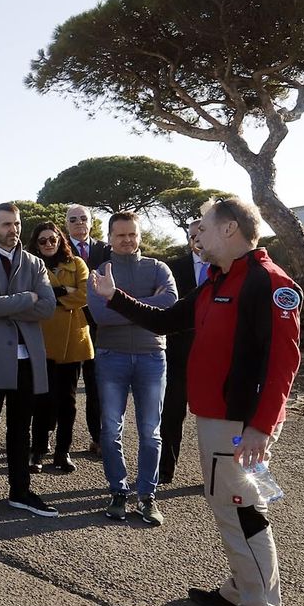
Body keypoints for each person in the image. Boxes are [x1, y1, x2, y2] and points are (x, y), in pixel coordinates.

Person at [90, 195, 302, 606]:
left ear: (229, 229)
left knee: (243, 512)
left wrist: (261, 427)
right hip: (214, 418)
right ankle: (238, 590)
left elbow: (284, 362)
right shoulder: (218, 281)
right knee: (226, 504)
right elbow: (167, 319)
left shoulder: (267, 283)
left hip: (238, 423)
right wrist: (114, 297)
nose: (196, 236)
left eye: (203, 227)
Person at [0, 202, 58, 518]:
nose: (13, 230)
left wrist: (4, 302)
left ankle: (20, 492)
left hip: (27, 358)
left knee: (21, 430)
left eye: (16, 224)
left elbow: (47, 306)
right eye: (6, 224)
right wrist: (25, 299)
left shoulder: (33, 263)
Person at [86, 211, 177, 525]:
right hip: (112, 356)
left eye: (132, 234)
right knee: (111, 430)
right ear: (109, 238)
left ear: (139, 236)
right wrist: (144, 304)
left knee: (151, 431)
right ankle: (118, 490)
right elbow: (102, 317)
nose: (127, 240)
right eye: (120, 235)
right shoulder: (99, 272)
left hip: (153, 356)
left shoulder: (158, 268)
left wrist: (117, 299)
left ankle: (147, 495)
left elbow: (170, 306)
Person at [27, 222, 91, 474]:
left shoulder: (77, 263)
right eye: (42, 241)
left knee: (68, 401)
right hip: (40, 339)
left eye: (52, 239)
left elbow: (85, 295)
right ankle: (38, 450)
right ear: (36, 244)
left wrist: (52, 295)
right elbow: (28, 296)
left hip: (72, 341)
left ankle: (62, 451)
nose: (48, 244)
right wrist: (66, 291)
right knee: (41, 399)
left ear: (60, 239)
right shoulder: (30, 266)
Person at [160, 219, 207, 484]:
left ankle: (215, 475)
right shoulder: (173, 268)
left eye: (202, 233)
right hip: (178, 355)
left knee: (214, 423)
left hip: (215, 360)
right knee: (171, 415)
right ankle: (165, 470)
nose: (197, 240)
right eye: (192, 236)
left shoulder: (228, 269)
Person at [65, 203, 111, 455]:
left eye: (83, 218)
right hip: (68, 325)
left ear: (92, 222)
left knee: (96, 384)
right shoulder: (58, 249)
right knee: (65, 387)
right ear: (66, 224)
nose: (79, 223)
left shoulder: (106, 250)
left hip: (100, 327)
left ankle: (98, 436)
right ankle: (60, 439)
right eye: (73, 219)